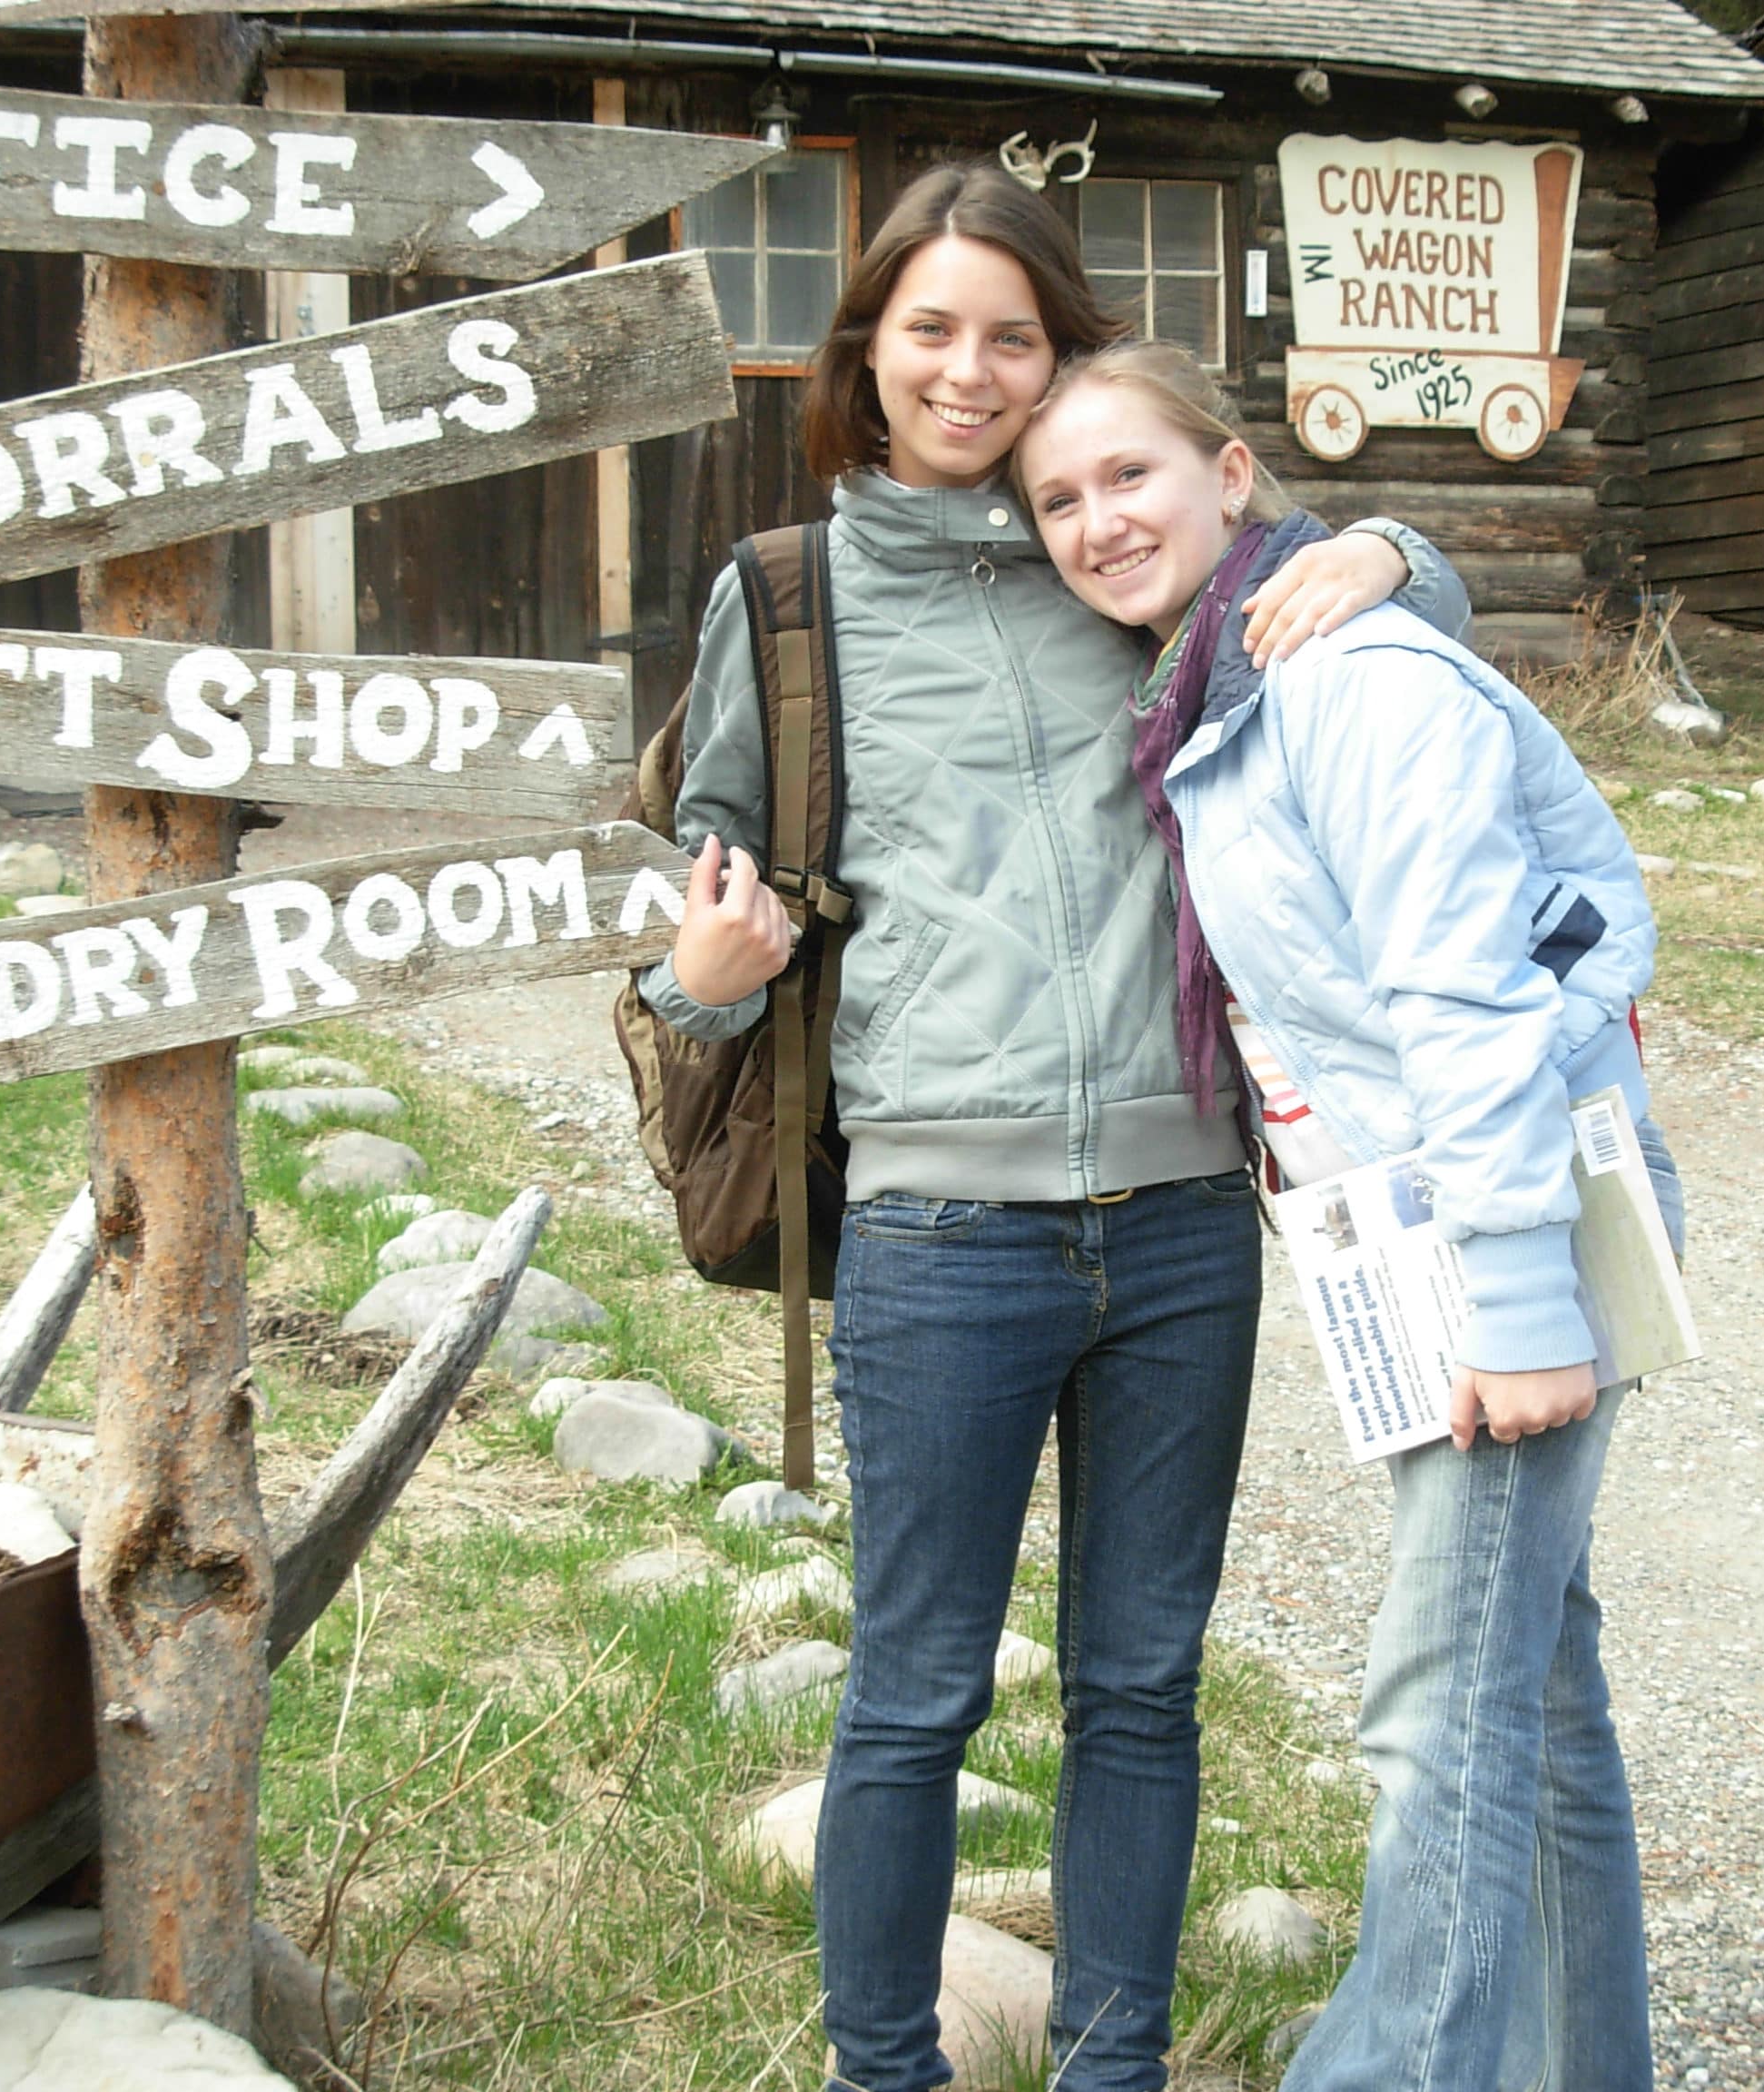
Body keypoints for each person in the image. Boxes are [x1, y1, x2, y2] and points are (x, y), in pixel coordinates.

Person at [637, 164, 1472, 2092]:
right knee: (914, 1694)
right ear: (868, 349)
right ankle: (884, 2071)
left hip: (1188, 1217)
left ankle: (1113, 2069)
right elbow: (703, 931)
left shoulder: (1129, 549)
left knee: (1139, 1694)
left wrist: (1406, 556)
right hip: (942, 1229)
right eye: (931, 328)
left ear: (1066, 348)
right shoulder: (786, 599)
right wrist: (708, 970)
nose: (973, 370)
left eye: (1014, 332)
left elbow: (1340, 590)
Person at [1015, 339, 1684, 2092]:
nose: (1097, 521)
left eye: (1130, 476)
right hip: (1435, 1223)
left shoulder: (1347, 677)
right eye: (1058, 499)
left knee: (1436, 1712)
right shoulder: (1222, 689)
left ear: (1233, 476)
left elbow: (1463, 999)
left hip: (1498, 1230)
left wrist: (1521, 1300)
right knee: (1530, 1696)